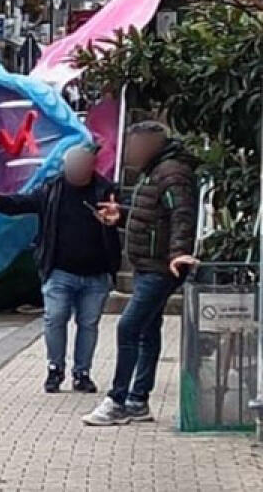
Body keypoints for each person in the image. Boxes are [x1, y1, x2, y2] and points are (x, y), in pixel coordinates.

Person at [0, 145, 119, 393]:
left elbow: (123, 213)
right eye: (70, 166)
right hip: (59, 270)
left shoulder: (106, 191)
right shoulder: (52, 188)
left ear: (91, 167)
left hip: (97, 272)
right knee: (55, 318)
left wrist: (116, 219)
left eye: (80, 166)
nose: (74, 171)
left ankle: (82, 372)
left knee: (88, 324)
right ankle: (55, 368)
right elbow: (22, 203)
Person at [83, 121, 199, 426]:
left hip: (161, 267)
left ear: (152, 145)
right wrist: (121, 215)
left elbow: (181, 215)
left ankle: (118, 399)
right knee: (148, 331)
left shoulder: (172, 172)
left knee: (129, 327)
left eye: (134, 146)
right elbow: (153, 215)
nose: (129, 153)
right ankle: (138, 401)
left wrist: (178, 253)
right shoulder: (155, 172)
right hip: (147, 263)